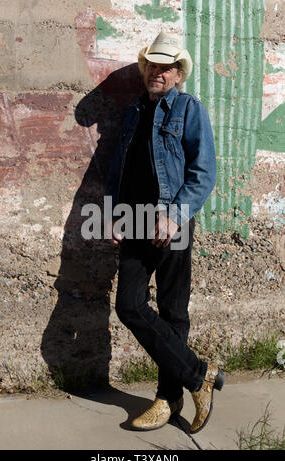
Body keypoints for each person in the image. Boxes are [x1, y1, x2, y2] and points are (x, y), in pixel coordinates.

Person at [104, 31, 225, 434]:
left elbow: (203, 172)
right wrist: (113, 213)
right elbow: (117, 171)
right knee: (129, 304)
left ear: (178, 73)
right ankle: (200, 376)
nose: (157, 72)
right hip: (135, 219)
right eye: (152, 65)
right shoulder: (134, 111)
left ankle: (167, 397)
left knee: (174, 312)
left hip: (172, 221)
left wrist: (173, 216)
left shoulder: (189, 109)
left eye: (166, 66)